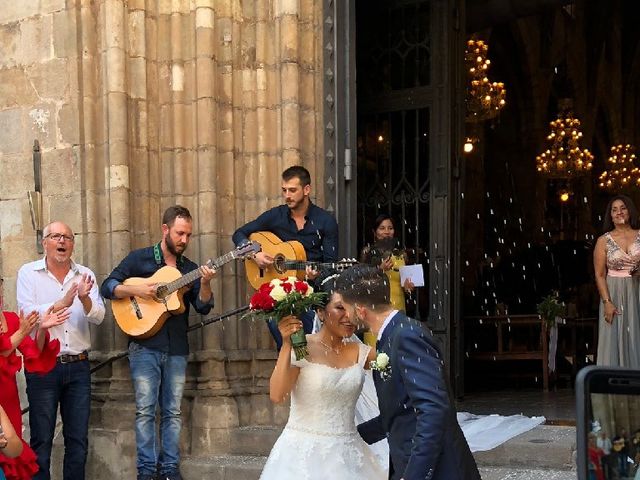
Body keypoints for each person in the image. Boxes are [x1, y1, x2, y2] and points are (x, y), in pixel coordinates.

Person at [100, 205, 216, 480]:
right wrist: (138, 289)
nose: (184, 240)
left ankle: (169, 470)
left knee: (173, 413)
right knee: (145, 411)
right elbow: (108, 286)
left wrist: (207, 283)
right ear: (165, 230)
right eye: (179, 233)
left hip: (176, 348)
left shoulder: (190, 269)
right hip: (144, 348)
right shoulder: (139, 259)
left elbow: (204, 307)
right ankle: (146, 472)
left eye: (188, 235)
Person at [335, 264, 480, 480]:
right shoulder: (390, 336)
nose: (344, 315)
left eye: (344, 307)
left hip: (439, 470)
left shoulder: (407, 336)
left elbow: (433, 410)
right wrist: (352, 436)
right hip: (406, 461)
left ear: (360, 310)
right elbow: (400, 410)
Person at [260, 276, 386, 479]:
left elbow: (398, 365)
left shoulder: (360, 352)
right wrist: (286, 345)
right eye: (340, 308)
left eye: (353, 308)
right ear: (320, 312)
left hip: (350, 455)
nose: (349, 316)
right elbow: (276, 395)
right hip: (302, 456)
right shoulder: (303, 347)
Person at [17, 222, 105, 480]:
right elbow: (28, 314)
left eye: (67, 237)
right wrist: (63, 302)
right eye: (56, 236)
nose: (62, 241)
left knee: (77, 441)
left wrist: (84, 298)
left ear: (73, 244)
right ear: (45, 242)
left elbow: (98, 316)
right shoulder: (28, 273)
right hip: (43, 367)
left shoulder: (85, 274)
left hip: (78, 366)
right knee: (41, 440)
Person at [232, 165, 339, 349]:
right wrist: (254, 253)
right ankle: (290, 361)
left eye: (292, 190)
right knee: (280, 327)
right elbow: (239, 234)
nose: (287, 195)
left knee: (313, 345)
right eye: (284, 190)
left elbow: (330, 266)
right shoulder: (276, 216)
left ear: (306, 190)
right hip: (281, 294)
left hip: (312, 295)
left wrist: (314, 275)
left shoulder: (325, 222)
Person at [0, 277, 70, 480]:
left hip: (9, 400)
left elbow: (34, 354)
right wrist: (22, 333)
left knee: (11, 453)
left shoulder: (12, 319)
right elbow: (4, 350)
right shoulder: (18, 326)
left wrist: (42, 330)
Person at [593, 195, 640, 367]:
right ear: (610, 215)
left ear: (630, 211)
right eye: (614, 209)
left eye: (623, 208)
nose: (619, 212)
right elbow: (599, 274)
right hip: (614, 292)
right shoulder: (603, 241)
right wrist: (606, 302)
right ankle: (614, 388)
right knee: (614, 337)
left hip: (637, 291)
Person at [359, 214, 415, 312]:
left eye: (390, 228)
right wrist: (380, 270)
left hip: (398, 308)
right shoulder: (367, 252)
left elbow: (408, 289)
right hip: (376, 308)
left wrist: (408, 289)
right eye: (382, 228)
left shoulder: (402, 254)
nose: (387, 232)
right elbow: (361, 281)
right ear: (374, 232)